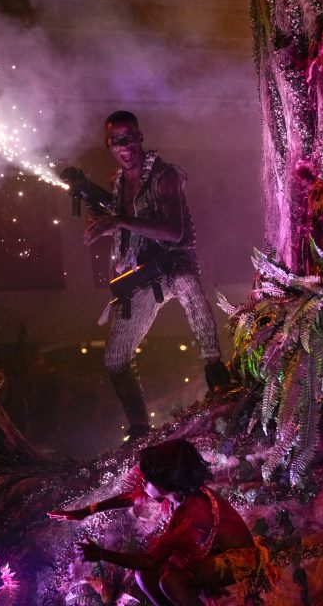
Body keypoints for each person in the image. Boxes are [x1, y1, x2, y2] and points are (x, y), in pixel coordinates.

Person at [84, 111, 232, 438]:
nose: (125, 147)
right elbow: (131, 226)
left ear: (140, 137)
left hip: (176, 262)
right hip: (146, 275)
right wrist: (106, 225)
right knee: (114, 359)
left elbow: (175, 232)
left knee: (189, 288)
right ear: (109, 145)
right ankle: (139, 429)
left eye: (129, 138)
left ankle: (219, 380)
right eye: (116, 141)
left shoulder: (166, 176)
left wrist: (118, 223)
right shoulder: (117, 182)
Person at [48, 438, 272, 605]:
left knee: (170, 580)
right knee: (143, 575)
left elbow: (153, 561)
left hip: (241, 560)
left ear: (165, 483)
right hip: (214, 551)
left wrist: (101, 554)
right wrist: (87, 511)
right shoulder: (177, 492)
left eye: (147, 480)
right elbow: (131, 498)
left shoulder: (191, 509)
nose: (143, 483)